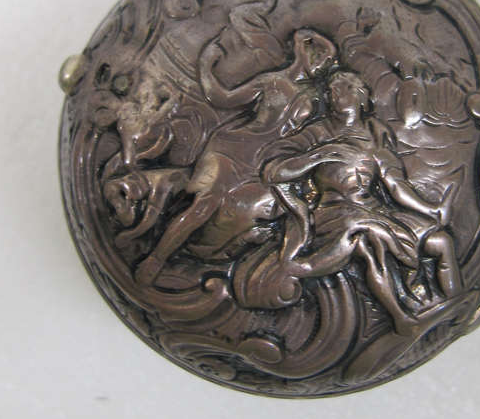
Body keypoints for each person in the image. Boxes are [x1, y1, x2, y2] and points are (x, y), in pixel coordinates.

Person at [260, 71, 463, 336]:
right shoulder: (317, 132)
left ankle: (455, 305)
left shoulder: (376, 134)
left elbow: (396, 186)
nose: (334, 95)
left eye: (342, 89)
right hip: (334, 213)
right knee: (369, 238)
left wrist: (431, 209)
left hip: (373, 209)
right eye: (331, 91)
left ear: (360, 95)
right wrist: (319, 155)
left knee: (441, 242)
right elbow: (274, 173)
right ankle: (401, 318)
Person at [134, 28, 336, 285]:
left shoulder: (315, 97)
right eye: (319, 56)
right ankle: (156, 258)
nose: (321, 65)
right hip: (232, 149)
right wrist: (206, 65)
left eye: (325, 61)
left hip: (263, 162)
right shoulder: (271, 81)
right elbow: (222, 97)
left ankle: (214, 259)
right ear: (303, 52)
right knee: (205, 204)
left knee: (256, 213)